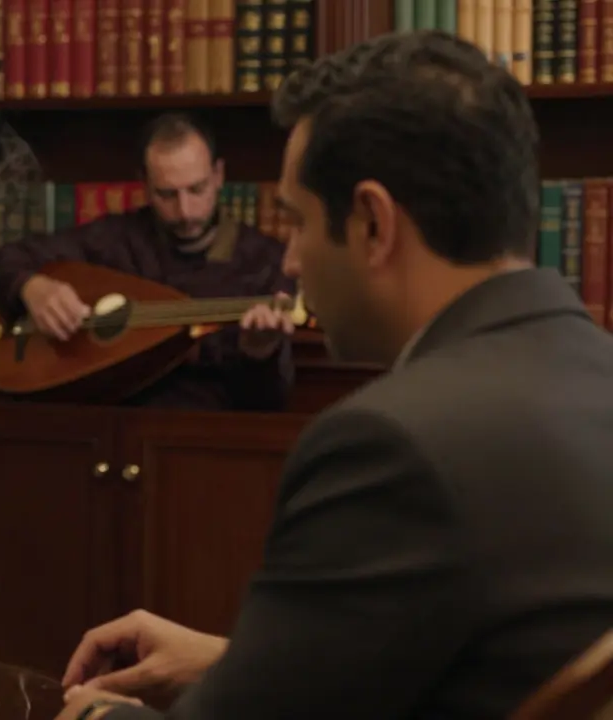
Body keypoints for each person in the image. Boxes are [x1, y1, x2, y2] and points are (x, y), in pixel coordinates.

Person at [54, 30, 613, 720]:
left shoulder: (390, 446)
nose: (289, 261)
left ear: (374, 224)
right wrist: (240, 661)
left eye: (297, 220)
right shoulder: (595, 375)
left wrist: (99, 714)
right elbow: (489, 664)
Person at [0, 113, 297, 411]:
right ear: (144, 184)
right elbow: (5, 258)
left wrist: (260, 355)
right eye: (167, 195)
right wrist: (32, 287)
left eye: (197, 189)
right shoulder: (118, 239)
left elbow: (270, 401)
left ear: (218, 175)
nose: (186, 211)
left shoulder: (265, 261)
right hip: (108, 422)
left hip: (204, 434)